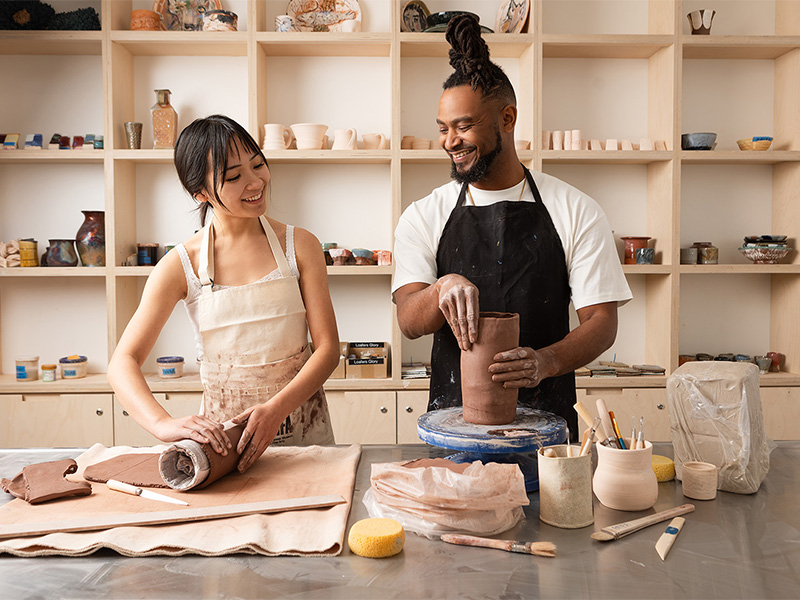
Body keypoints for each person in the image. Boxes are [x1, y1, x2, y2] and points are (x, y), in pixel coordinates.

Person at [392, 16, 632, 438]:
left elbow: (601, 322)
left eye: (464, 126)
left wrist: (546, 362)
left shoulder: (574, 208)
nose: (450, 141)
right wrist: (440, 288)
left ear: (507, 118)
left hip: (549, 426)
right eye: (444, 129)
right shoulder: (423, 214)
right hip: (456, 424)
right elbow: (410, 320)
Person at [108, 115, 338, 472]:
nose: (255, 181)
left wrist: (276, 411)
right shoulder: (180, 265)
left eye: (258, 164)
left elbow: (327, 350)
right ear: (199, 192)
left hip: (305, 434)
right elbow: (122, 363)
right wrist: (162, 424)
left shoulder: (299, 245)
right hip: (223, 448)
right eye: (234, 177)